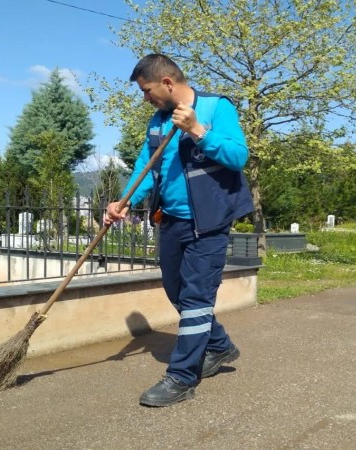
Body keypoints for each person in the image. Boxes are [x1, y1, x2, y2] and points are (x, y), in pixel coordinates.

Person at [104, 54, 254, 407]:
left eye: (147, 90)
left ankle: (182, 377)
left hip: (210, 222)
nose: (146, 98)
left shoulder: (217, 108)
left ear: (168, 83)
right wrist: (123, 201)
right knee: (176, 290)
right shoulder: (157, 122)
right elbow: (147, 166)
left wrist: (197, 131)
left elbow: (238, 157)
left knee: (196, 298)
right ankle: (218, 346)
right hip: (170, 220)